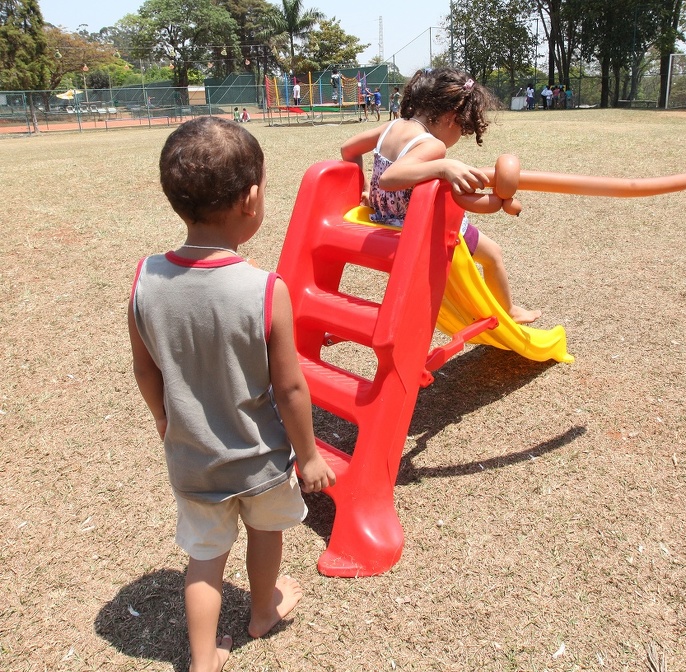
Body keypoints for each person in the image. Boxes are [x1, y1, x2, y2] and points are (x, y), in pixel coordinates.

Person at [128, 116, 336, 672]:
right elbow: (290, 387)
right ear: (251, 199)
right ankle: (263, 608)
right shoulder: (266, 290)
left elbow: (146, 372)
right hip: (262, 461)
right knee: (266, 530)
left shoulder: (146, 281)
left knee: (203, 559)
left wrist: (164, 420)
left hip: (193, 460)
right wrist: (311, 455)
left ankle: (202, 660)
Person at [340, 67, 540, 325]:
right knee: (493, 254)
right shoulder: (431, 145)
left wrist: (365, 189)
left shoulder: (392, 126)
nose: (459, 136)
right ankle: (510, 310)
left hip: (382, 217)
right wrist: (443, 167)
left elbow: (348, 150)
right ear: (451, 118)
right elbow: (391, 178)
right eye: (463, 129)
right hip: (416, 225)